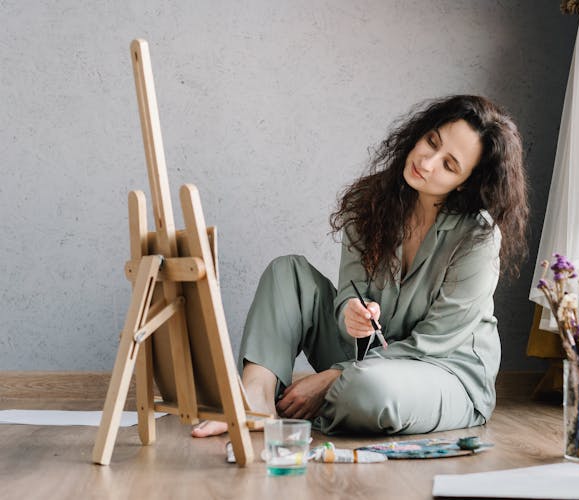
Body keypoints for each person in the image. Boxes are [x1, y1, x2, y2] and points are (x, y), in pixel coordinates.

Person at [192, 95, 529, 437]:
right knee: (287, 272)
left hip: (441, 371)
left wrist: (333, 377)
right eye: (431, 141)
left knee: (370, 391)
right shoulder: (371, 201)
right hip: (363, 359)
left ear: (467, 183)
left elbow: (433, 343)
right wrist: (349, 314)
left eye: (449, 165)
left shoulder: (478, 239)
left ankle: (327, 397)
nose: (427, 163)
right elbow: (349, 293)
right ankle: (256, 398)